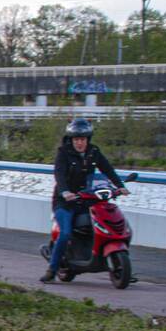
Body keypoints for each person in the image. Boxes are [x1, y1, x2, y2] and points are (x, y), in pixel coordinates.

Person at [40, 119, 130, 282]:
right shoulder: (64, 153)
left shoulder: (94, 152)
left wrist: (120, 186)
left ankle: (102, 259)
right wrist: (65, 191)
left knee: (101, 224)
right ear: (71, 139)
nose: (79, 143)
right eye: (76, 139)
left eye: (82, 139)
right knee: (66, 233)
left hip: (87, 200)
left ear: (88, 139)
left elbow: (107, 169)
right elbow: (59, 175)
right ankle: (52, 269)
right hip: (65, 203)